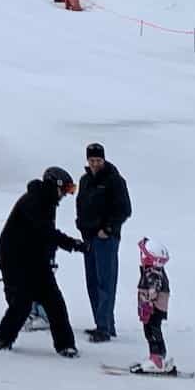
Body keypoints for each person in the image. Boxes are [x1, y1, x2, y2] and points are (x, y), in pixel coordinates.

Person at [0, 166, 87, 357]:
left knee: (55, 303)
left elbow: (43, 236)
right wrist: (73, 244)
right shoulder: (34, 201)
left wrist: (50, 256)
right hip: (15, 260)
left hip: (36, 260)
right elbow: (46, 232)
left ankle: (65, 345)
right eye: (66, 190)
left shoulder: (48, 201)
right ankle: (4, 338)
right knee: (22, 302)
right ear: (55, 185)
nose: (66, 195)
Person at [76, 142, 132, 342]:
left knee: (105, 282)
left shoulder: (114, 180)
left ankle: (105, 327)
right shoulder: (84, 181)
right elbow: (81, 204)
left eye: (98, 160)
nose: (95, 164)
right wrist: (81, 226)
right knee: (92, 281)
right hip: (89, 238)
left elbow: (124, 209)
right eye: (92, 160)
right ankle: (103, 323)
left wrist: (108, 229)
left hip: (106, 239)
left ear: (104, 159)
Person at [135, 237, 174, 374]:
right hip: (155, 308)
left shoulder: (153, 273)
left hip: (153, 309)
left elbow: (153, 290)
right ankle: (159, 356)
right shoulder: (154, 270)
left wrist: (148, 304)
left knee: (151, 331)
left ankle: (156, 359)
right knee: (155, 330)